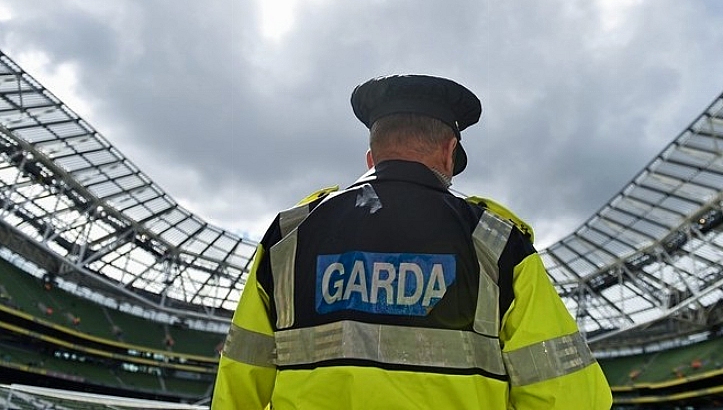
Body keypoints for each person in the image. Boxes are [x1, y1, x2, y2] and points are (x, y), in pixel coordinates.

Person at [211, 74, 612, 409]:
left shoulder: (289, 237)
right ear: (448, 151)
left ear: (372, 157)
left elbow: (239, 384)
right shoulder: (497, 244)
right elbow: (571, 396)